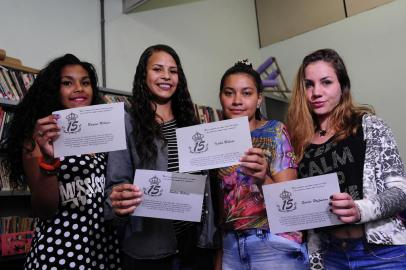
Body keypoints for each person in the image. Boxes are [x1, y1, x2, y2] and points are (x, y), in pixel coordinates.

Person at [287, 48, 406, 269]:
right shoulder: (298, 143)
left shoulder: (370, 126)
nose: (316, 92)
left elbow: (400, 193)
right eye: (309, 85)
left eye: (326, 82)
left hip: (381, 254)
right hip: (331, 256)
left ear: (342, 86)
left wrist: (359, 209)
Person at [104, 44, 220, 270]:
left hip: (195, 247)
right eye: (157, 69)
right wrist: (120, 199)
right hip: (149, 250)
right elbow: (115, 188)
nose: (166, 76)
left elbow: (207, 187)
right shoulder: (126, 123)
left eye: (173, 71)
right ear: (143, 75)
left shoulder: (192, 124)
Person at [6, 54, 122, 270]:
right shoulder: (39, 138)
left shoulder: (106, 136)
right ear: (54, 90)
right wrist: (49, 160)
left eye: (85, 82)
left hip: (103, 247)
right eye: (67, 83)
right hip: (61, 251)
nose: (79, 88)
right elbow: (45, 209)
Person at [215, 60, 309, 270]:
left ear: (259, 99)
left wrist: (263, 177)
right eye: (229, 93)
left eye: (246, 93)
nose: (237, 100)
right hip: (231, 244)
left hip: (272, 241)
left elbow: (289, 199)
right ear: (221, 97)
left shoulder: (275, 131)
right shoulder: (214, 139)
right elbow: (222, 204)